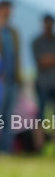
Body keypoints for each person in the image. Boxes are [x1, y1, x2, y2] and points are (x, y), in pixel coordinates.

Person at [0, 0, 20, 153]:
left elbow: (17, 56)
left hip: (12, 79)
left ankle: (6, 148)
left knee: (9, 116)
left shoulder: (13, 32)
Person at [32, 14, 55, 150]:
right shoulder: (37, 42)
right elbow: (41, 61)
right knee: (40, 116)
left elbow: (45, 60)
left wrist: (48, 59)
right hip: (42, 84)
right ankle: (39, 146)